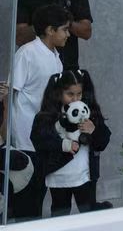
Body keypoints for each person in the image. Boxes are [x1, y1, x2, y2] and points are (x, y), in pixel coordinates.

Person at [4, 4, 71, 221]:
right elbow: (9, 94)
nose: (68, 35)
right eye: (65, 29)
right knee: (25, 203)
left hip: (44, 140)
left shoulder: (56, 58)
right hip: (24, 140)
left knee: (38, 198)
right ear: (50, 30)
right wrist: (6, 137)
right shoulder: (27, 53)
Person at [29, 70, 110, 216]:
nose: (75, 99)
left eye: (79, 94)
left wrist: (94, 130)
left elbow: (103, 142)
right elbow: (39, 139)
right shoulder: (47, 115)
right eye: (70, 94)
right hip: (58, 176)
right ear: (58, 93)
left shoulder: (89, 112)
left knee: (89, 214)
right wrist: (62, 145)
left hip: (85, 176)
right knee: (60, 215)